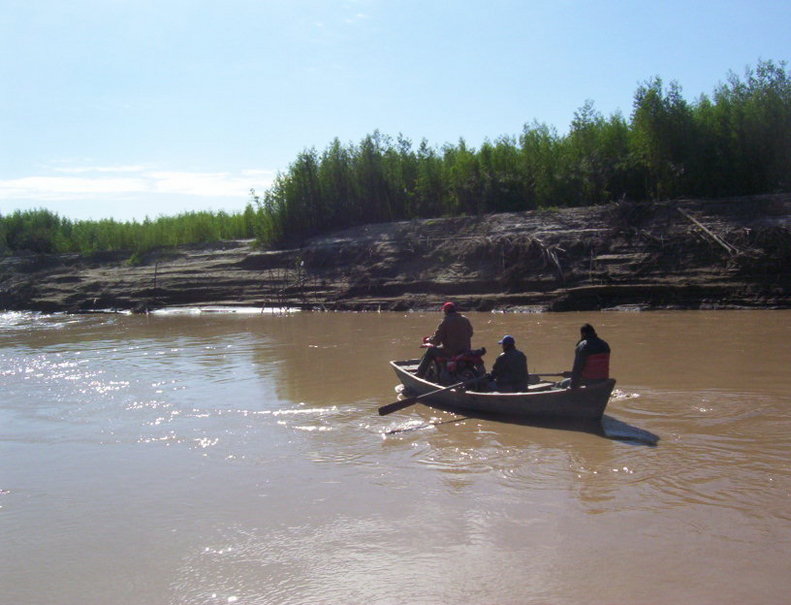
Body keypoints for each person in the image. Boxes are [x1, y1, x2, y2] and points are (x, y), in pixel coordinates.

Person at [416, 301, 474, 378]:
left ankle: (419, 373)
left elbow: (436, 340)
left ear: (446, 311)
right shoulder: (465, 319)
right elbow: (470, 334)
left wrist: (429, 339)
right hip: (465, 350)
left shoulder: (445, 321)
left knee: (430, 351)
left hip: (451, 351)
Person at [566, 323, 611, 389]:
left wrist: (572, 386)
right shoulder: (605, 345)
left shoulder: (583, 346)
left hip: (588, 381)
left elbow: (577, 368)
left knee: (562, 384)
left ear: (583, 334)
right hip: (603, 379)